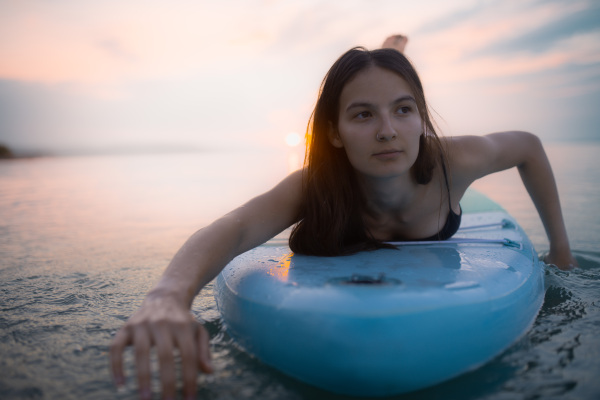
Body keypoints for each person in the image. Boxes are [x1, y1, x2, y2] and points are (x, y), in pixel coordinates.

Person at [109, 35, 578, 400]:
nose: (388, 131)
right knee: (379, 68)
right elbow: (234, 228)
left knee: (383, 63)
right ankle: (387, 55)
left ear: (420, 117)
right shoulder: (316, 186)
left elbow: (529, 147)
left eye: (403, 109)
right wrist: (169, 295)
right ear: (333, 133)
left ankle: (390, 52)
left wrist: (560, 250)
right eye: (362, 115)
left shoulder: (453, 161)